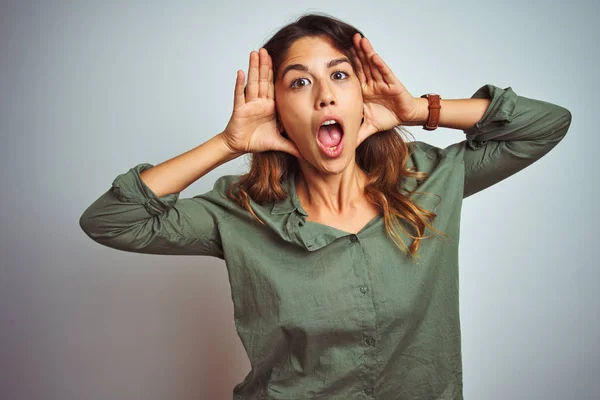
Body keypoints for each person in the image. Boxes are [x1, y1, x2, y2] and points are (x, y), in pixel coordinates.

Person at [79, 13, 572, 400]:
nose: (324, 95)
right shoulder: (240, 210)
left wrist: (419, 110)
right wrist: (229, 143)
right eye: (299, 82)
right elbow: (110, 220)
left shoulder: (427, 180)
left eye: (339, 74)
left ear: (361, 94)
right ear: (277, 110)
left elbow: (545, 125)